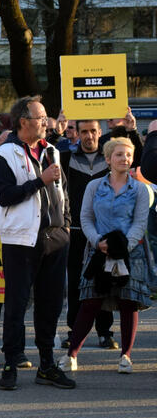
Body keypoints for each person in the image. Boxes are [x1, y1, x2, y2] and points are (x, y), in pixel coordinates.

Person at [0, 95, 76, 390]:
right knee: (16, 304)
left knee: (50, 304)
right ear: (24, 122)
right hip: (21, 240)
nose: (47, 122)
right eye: (41, 118)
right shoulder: (5, 155)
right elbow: (6, 196)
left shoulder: (52, 150)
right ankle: (11, 364)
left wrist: (65, 224)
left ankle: (47, 365)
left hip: (55, 237)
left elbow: (62, 191)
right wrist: (40, 180)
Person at [59, 137, 150, 374]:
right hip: (97, 252)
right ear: (108, 159)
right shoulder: (94, 186)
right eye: (119, 155)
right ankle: (71, 355)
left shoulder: (140, 188)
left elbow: (140, 223)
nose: (125, 159)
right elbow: (86, 217)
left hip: (130, 254)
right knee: (90, 302)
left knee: (128, 303)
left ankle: (126, 357)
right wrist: (97, 241)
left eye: (128, 155)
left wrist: (121, 247)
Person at [60, 119, 116, 350]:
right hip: (74, 230)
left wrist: (130, 129)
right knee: (74, 283)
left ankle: (105, 333)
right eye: (84, 131)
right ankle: (74, 332)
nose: (89, 136)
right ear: (78, 134)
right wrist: (57, 132)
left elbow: (139, 159)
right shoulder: (66, 159)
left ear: (100, 132)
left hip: (104, 231)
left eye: (93, 131)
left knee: (104, 281)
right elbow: (46, 153)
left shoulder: (111, 160)